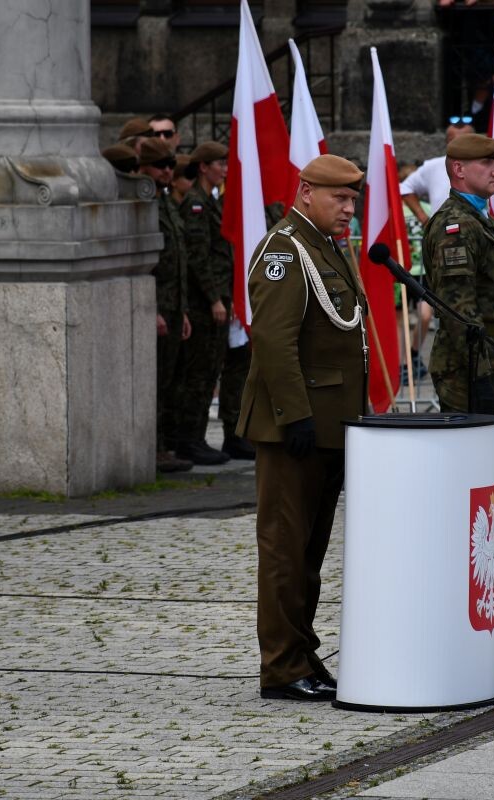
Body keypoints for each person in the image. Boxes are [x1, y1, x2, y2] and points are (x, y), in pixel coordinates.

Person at [237, 154, 367, 701]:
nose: (348, 207)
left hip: (329, 425)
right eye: (339, 197)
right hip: (298, 427)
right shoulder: (284, 250)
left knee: (309, 552)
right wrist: (296, 416)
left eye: (353, 198)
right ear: (306, 191)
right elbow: (273, 341)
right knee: (286, 550)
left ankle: (302, 653)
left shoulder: (324, 247)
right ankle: (283, 667)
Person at [422, 133, 494, 421]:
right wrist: (480, 376)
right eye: (487, 162)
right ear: (459, 170)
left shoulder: (480, 219)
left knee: (485, 458)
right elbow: (458, 309)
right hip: (469, 367)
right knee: (467, 461)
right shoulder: (457, 224)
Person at [136, 138, 194, 474]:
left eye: (171, 166)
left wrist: (182, 310)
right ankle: (155, 448)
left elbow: (179, 261)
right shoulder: (145, 203)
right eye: (161, 166)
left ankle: (165, 445)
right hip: (157, 305)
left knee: (170, 381)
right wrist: (155, 308)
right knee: (156, 383)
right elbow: (150, 263)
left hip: (175, 306)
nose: (168, 172)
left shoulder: (166, 202)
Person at [174, 141, 233, 466]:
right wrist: (214, 298)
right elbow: (198, 257)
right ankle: (189, 439)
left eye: (225, 162)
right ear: (204, 167)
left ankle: (195, 438)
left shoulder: (208, 201)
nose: (223, 168)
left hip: (217, 296)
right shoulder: (196, 204)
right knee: (198, 373)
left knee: (210, 370)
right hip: (202, 302)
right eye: (218, 163)